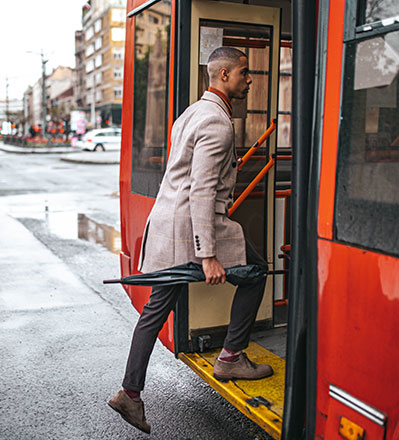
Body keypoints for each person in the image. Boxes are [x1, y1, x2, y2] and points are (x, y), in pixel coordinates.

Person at [108, 47, 273, 434]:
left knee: (157, 308)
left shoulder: (191, 114)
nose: (249, 80)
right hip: (193, 229)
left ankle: (129, 394)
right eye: (244, 73)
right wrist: (208, 255)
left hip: (168, 224)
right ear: (224, 75)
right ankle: (231, 356)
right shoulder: (217, 122)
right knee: (256, 272)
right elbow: (201, 191)